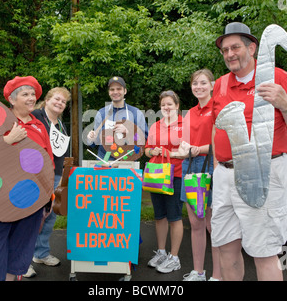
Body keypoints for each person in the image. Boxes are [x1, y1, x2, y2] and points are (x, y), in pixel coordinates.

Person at [211, 22, 287, 281]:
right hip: (224, 176)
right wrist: (216, 168)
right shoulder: (220, 85)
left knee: (264, 252)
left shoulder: (279, 78)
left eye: (235, 47)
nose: (229, 54)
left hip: (263, 174)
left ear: (252, 47)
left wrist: (285, 104)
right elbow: (216, 129)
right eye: (224, 50)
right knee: (226, 247)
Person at [0, 76, 54, 281]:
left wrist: (47, 197)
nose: (31, 98)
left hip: (30, 199)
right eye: (25, 94)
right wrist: (6, 141)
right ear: (12, 100)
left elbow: (47, 162)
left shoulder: (39, 126)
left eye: (33, 94)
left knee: (19, 252)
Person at [24, 87, 71, 278]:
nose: (60, 103)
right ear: (48, 99)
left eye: (63, 102)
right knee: (31, 217)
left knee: (50, 216)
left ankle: (40, 253)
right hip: (37, 175)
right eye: (57, 99)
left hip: (57, 174)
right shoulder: (35, 116)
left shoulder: (60, 123)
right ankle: (22, 261)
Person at [180, 69, 222, 281]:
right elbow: (184, 143)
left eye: (203, 83)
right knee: (196, 223)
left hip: (210, 166)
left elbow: (222, 142)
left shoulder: (218, 108)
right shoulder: (190, 112)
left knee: (213, 225)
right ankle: (198, 272)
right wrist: (185, 148)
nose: (199, 87)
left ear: (212, 85)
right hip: (191, 168)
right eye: (195, 83)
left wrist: (200, 148)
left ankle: (217, 275)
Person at [145, 90, 184, 274]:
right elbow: (147, 150)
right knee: (159, 216)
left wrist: (169, 152)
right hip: (157, 175)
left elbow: (187, 150)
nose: (166, 107)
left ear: (177, 105)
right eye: (163, 105)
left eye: (169, 104)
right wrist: (152, 152)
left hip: (176, 174)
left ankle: (174, 258)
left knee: (174, 217)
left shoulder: (185, 125)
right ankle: (161, 252)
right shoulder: (155, 126)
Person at [86, 76, 148, 160]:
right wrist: (91, 139)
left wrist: (128, 132)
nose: (115, 92)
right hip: (104, 162)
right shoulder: (101, 113)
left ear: (125, 91)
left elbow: (144, 141)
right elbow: (96, 143)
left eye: (119, 89)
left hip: (128, 162)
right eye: (112, 89)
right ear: (109, 92)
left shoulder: (136, 113)